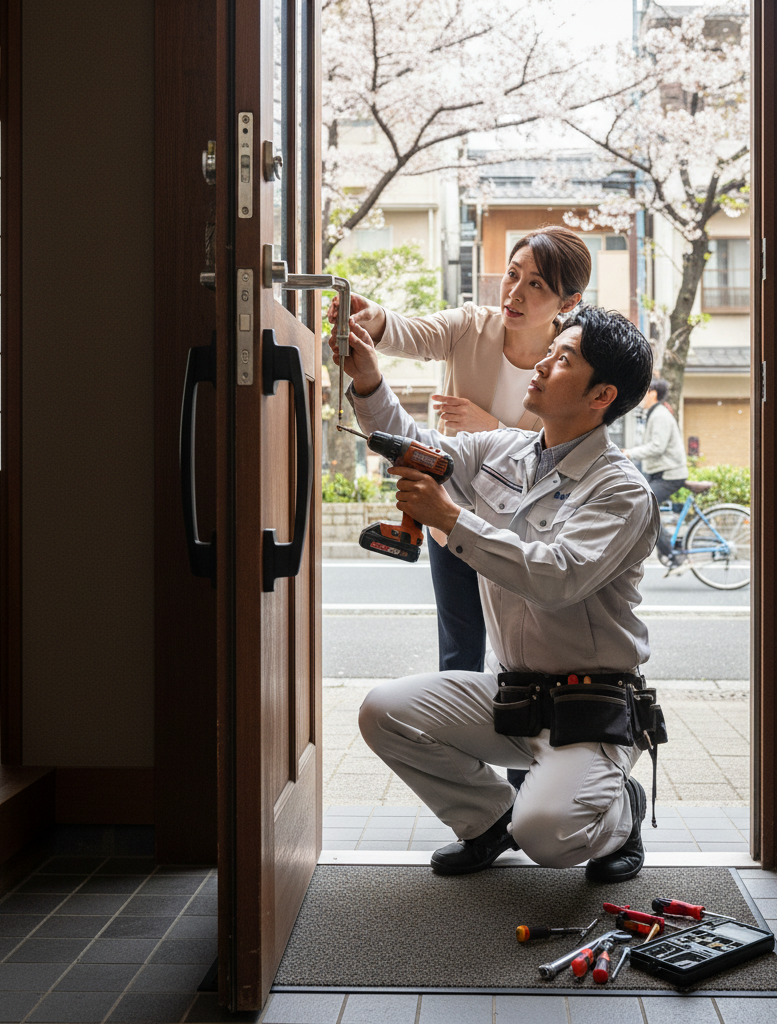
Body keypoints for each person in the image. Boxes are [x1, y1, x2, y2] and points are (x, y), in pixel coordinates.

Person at [331, 303, 659, 881]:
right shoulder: (501, 450)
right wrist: (368, 380)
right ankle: (488, 820)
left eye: (563, 360)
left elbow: (556, 578)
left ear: (601, 395)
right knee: (383, 712)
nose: (540, 366)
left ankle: (622, 812)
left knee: (551, 838)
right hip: (515, 697)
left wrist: (453, 521)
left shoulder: (620, 490)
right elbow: (418, 449)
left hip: (592, 705)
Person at [327, 228, 591, 684]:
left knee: (526, 663)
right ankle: (461, 753)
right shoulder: (472, 325)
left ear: (568, 303)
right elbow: (406, 331)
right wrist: (372, 320)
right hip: (447, 515)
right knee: (459, 653)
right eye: (513, 274)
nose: (515, 292)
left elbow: (558, 452)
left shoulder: (569, 362)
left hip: (522, 533)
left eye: (536, 285)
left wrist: (489, 427)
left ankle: (521, 752)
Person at [622, 378, 688, 571]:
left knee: (645, 509)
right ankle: (671, 549)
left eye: (646, 391)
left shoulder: (660, 415)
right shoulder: (654, 414)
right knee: (644, 507)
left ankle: (674, 552)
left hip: (668, 474)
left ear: (653, 394)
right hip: (659, 472)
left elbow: (657, 447)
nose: (642, 396)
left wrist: (630, 453)